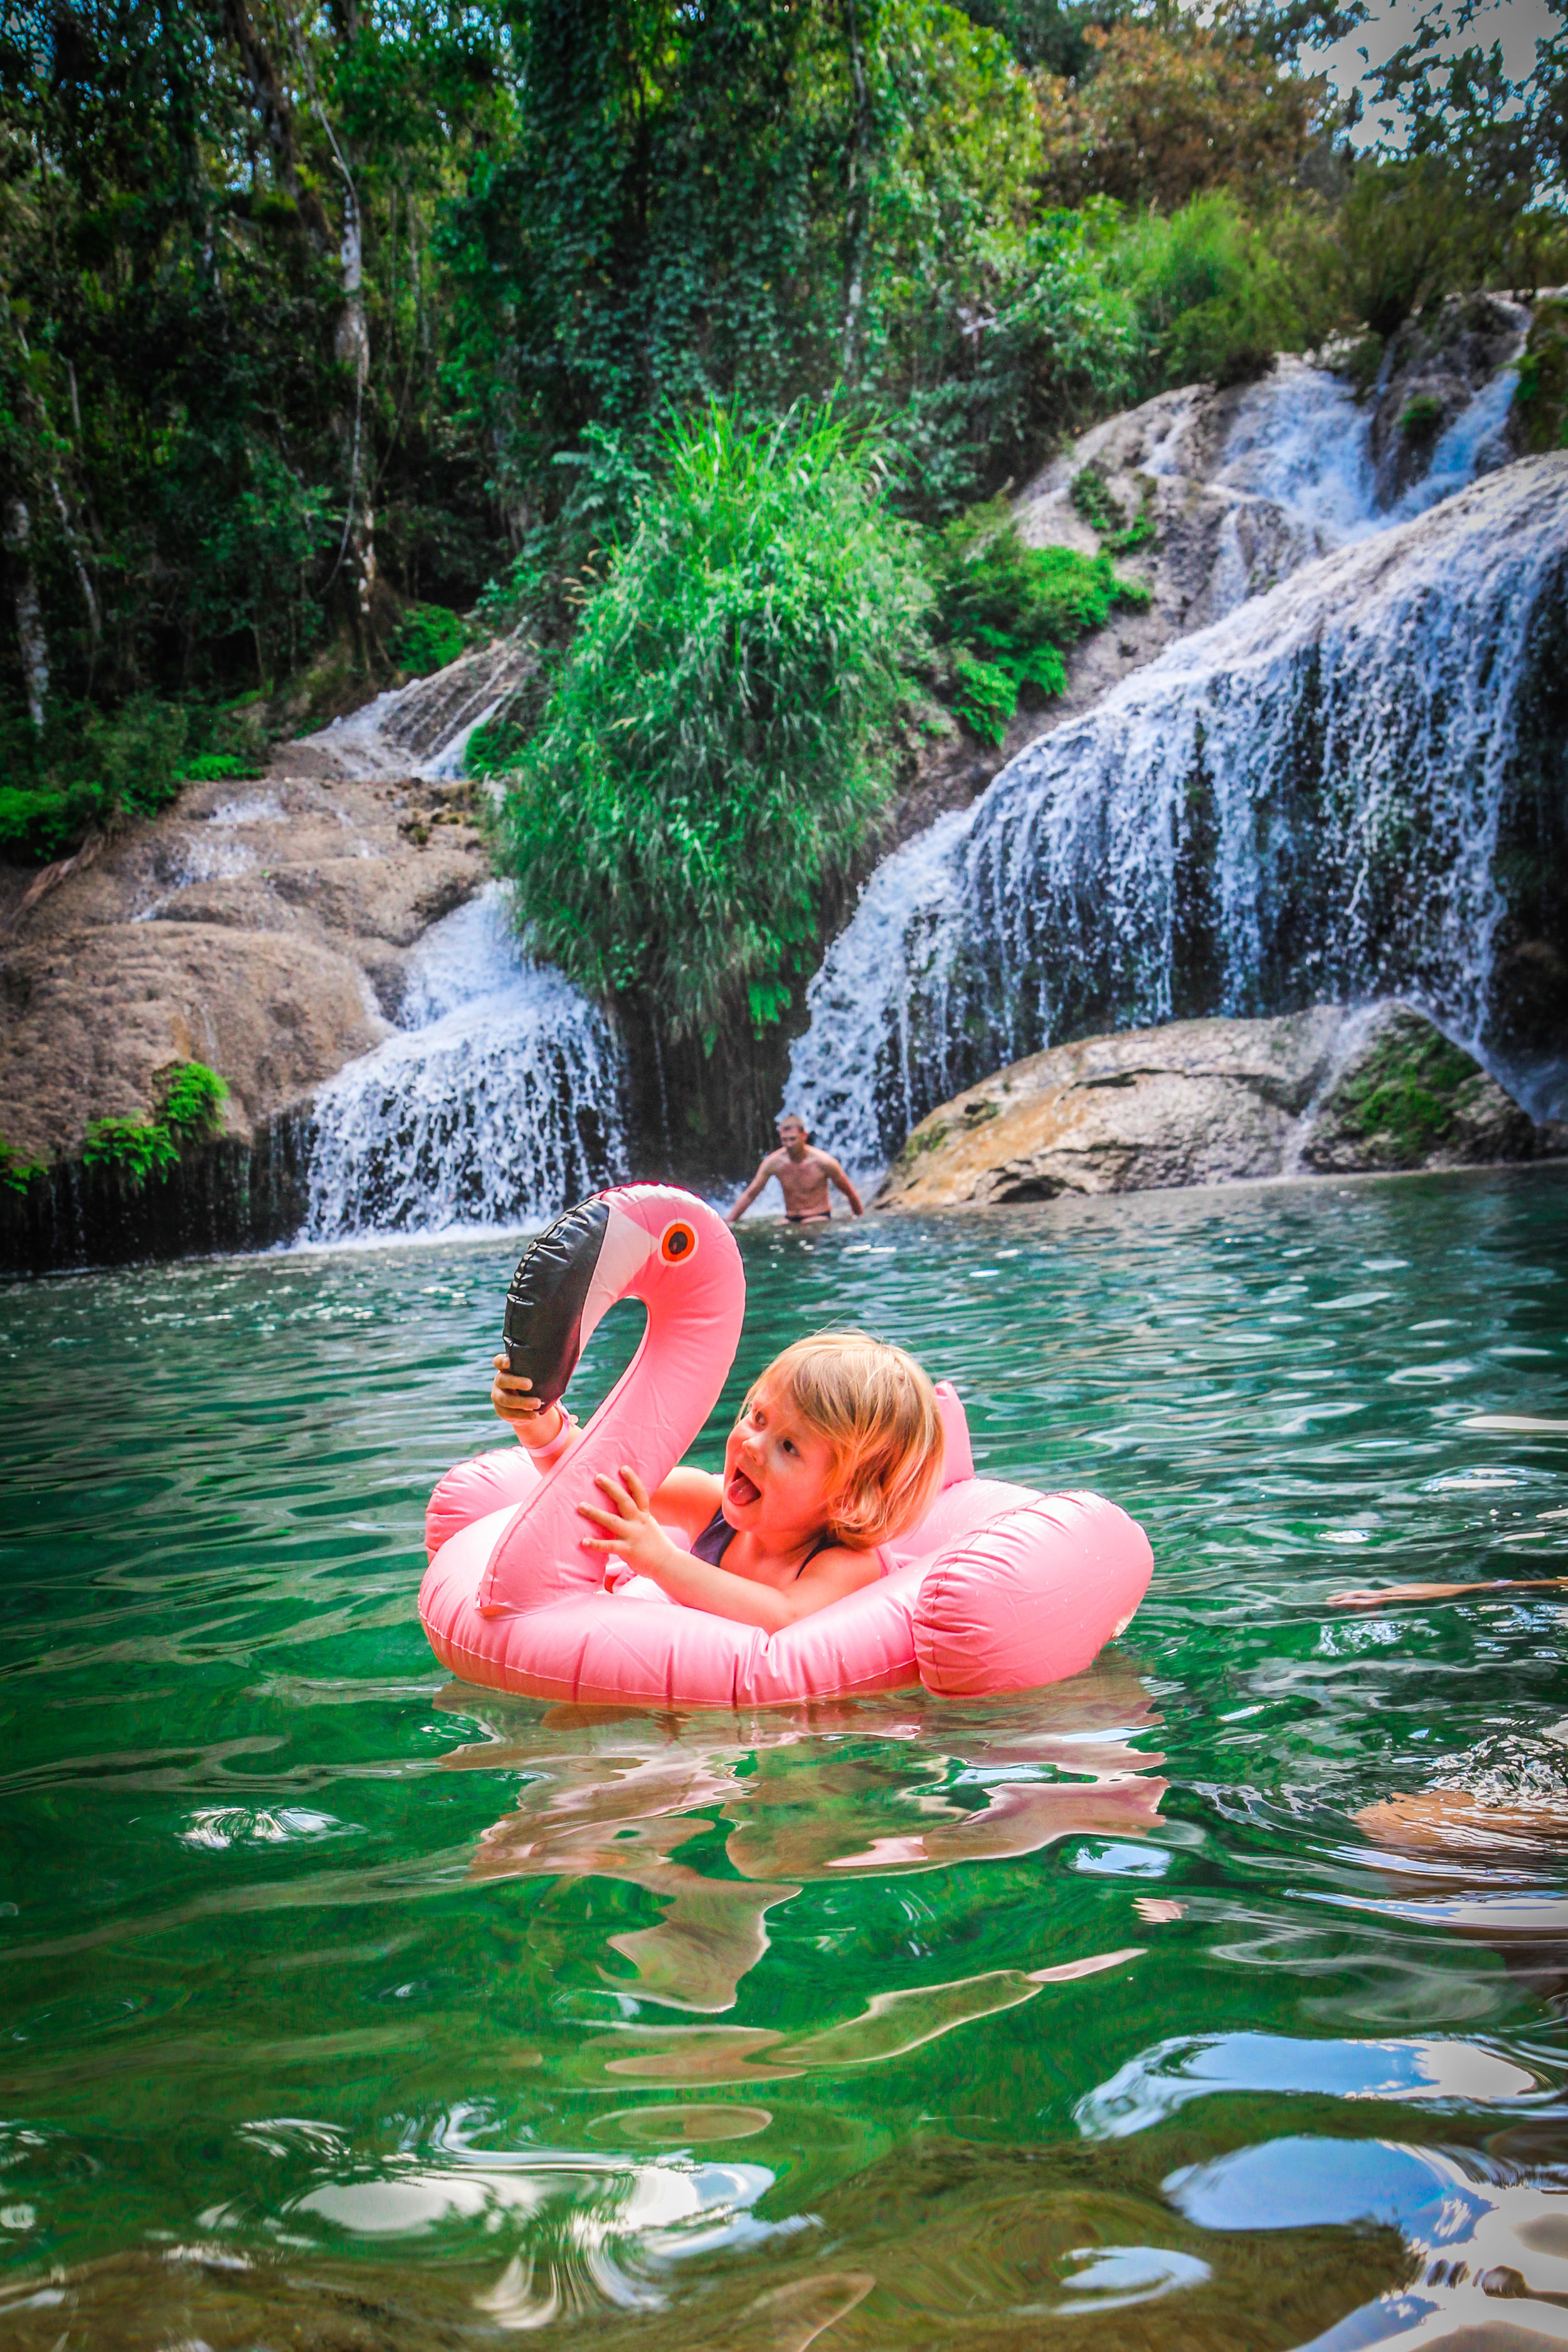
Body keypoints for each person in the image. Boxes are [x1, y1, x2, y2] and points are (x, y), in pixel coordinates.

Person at [488, 1330, 943, 1631]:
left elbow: (787, 1618)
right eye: (758, 1417)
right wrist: (535, 1418)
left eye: (789, 1447)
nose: (752, 1445)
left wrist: (661, 1561)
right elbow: (591, 1479)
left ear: (846, 1497)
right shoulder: (705, 1504)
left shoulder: (846, 1563)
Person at [726, 1112, 864, 1226]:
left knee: (810, 1227)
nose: (789, 1144)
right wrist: (730, 1222)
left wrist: (859, 1219)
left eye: (793, 1139)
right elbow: (751, 1194)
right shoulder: (774, 1162)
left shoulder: (824, 1162)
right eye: (785, 1140)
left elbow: (849, 1192)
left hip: (818, 1216)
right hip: (790, 1218)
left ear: (804, 1136)